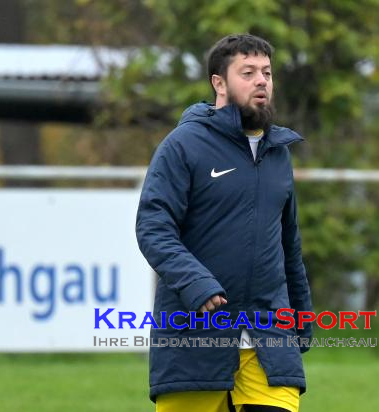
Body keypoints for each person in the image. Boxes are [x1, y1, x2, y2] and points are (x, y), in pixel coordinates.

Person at [136, 33, 313, 412]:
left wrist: (302, 314)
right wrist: (196, 282)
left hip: (270, 336)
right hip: (195, 336)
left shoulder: (278, 153)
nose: (261, 81)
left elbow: (289, 245)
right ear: (219, 82)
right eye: (247, 72)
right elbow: (154, 227)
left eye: (267, 72)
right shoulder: (182, 145)